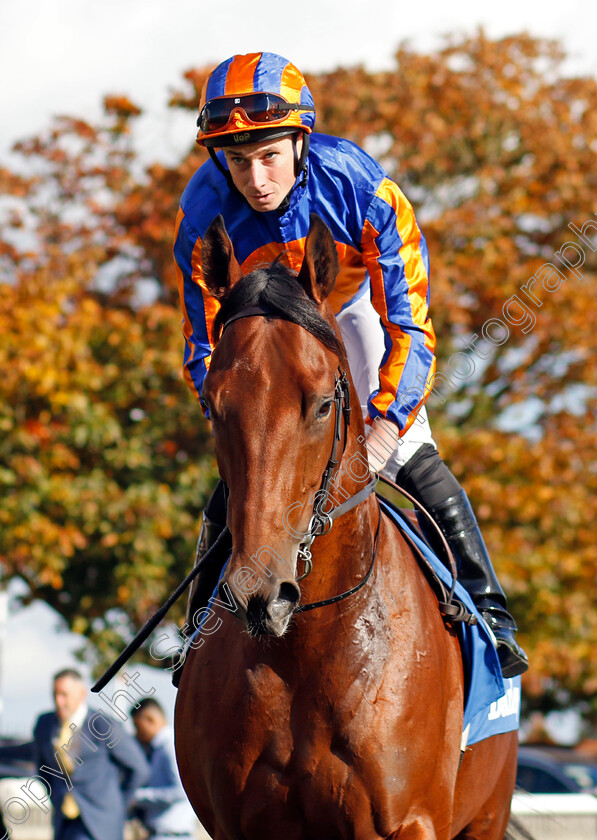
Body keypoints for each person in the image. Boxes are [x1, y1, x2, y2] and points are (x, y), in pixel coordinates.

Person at [173, 51, 528, 678]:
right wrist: (231, 416)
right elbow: (202, 345)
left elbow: (410, 324)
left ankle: (489, 611)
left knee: (407, 453)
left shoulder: (362, 186)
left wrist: (388, 421)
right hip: (263, 328)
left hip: (355, 306)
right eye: (237, 161)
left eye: (269, 156)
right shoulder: (200, 214)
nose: (254, 179)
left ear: (300, 140)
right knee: (250, 467)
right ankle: (199, 627)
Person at [32, 669, 148, 840]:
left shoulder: (103, 724)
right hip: (64, 823)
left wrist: (117, 805)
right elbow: (43, 770)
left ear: (82, 695)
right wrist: (57, 797)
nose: (59, 701)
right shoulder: (45, 724)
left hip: (100, 825)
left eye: (65, 695)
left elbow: (139, 768)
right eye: (55, 694)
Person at [129, 698, 197, 840]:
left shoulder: (169, 746)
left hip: (171, 834)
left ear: (150, 719)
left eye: (137, 726)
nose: (136, 733)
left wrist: (138, 796)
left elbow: (181, 790)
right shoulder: (159, 747)